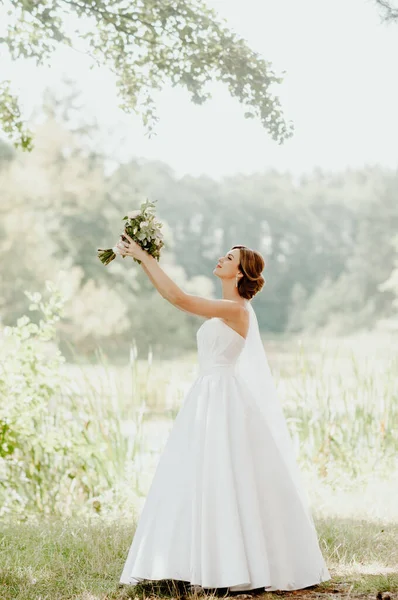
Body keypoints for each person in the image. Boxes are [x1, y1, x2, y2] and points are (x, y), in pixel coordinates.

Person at [116, 233, 331, 593]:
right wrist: (143, 260)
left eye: (229, 258)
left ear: (241, 274)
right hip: (205, 396)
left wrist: (143, 256)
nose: (221, 259)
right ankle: (185, 562)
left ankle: (230, 568)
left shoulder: (236, 310)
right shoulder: (223, 307)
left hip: (223, 399)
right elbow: (174, 297)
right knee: (194, 475)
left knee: (224, 475)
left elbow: (179, 298)